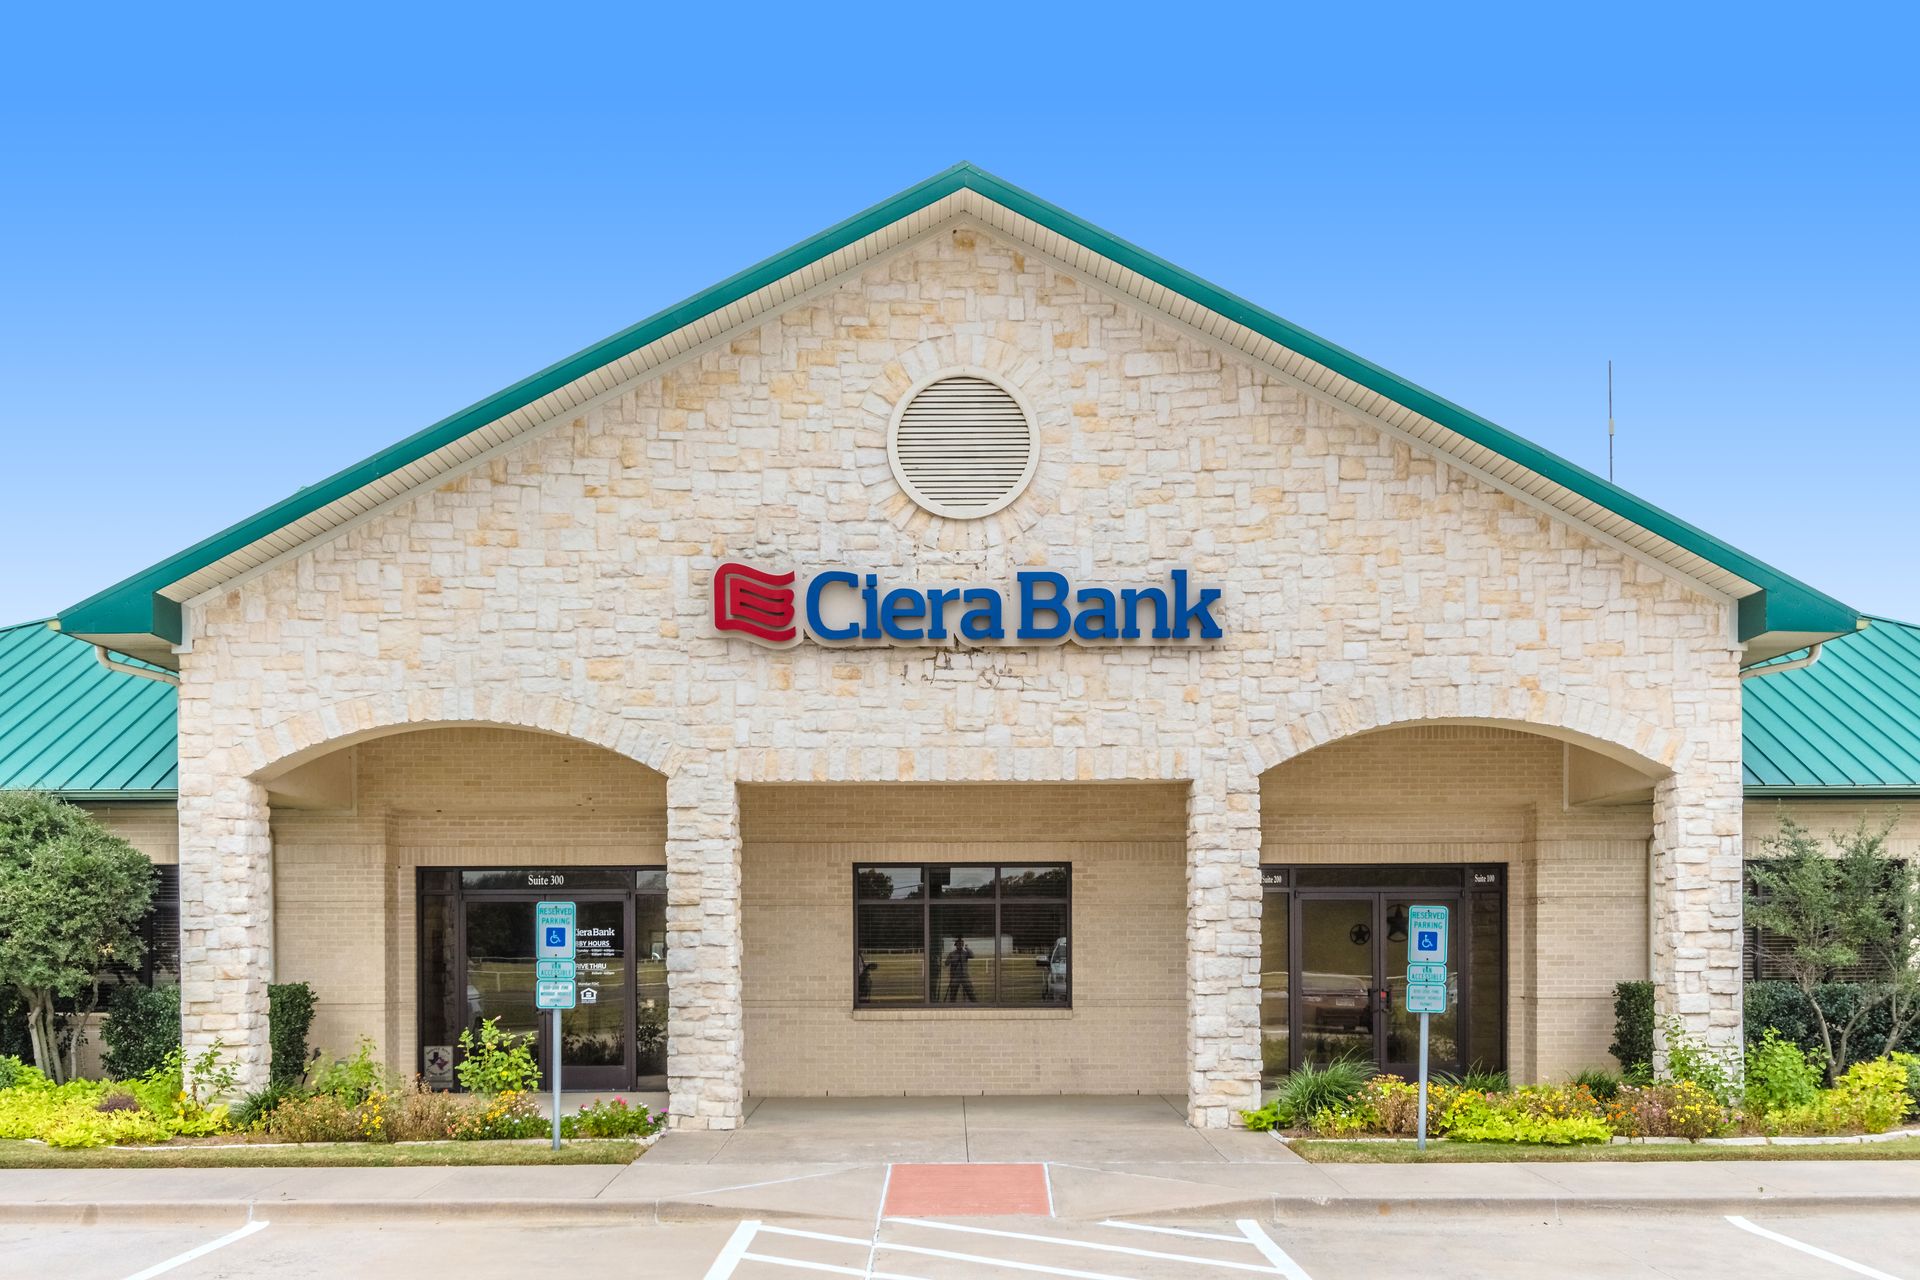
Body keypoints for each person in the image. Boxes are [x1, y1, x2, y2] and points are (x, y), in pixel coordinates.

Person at [944, 935, 977, 1003]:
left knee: (970, 991)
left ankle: (975, 1005)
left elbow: (972, 956)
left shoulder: (965, 953)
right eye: (958, 944)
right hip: (955, 976)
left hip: (964, 976)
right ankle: (952, 1006)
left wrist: (967, 948)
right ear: (956, 945)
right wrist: (952, 960)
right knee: (953, 993)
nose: (960, 946)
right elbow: (946, 963)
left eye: (961, 944)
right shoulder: (952, 954)